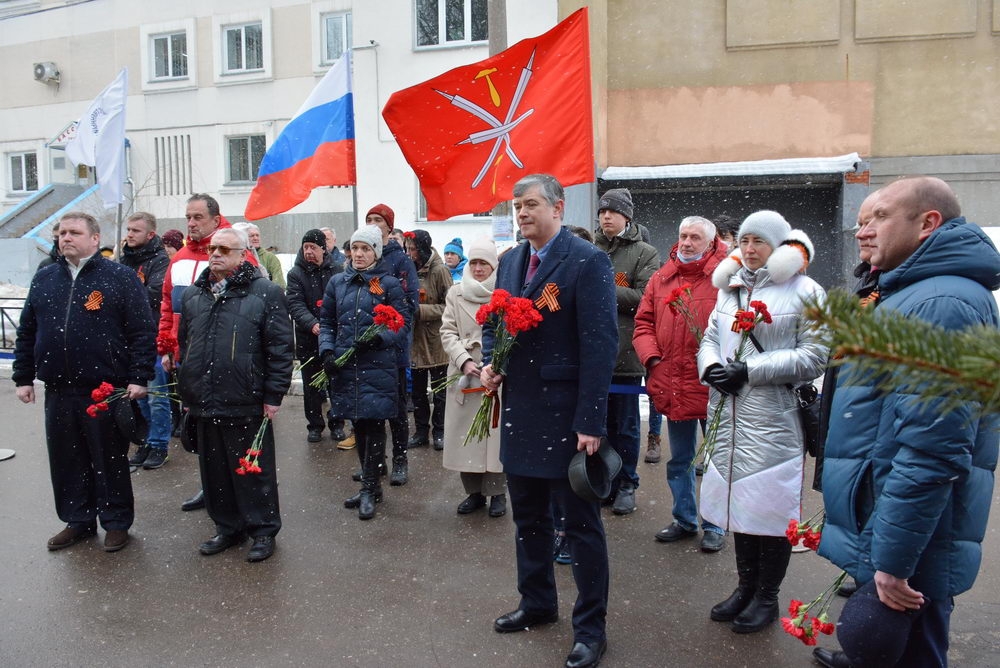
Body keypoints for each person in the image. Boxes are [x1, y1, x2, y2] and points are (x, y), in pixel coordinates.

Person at [814, 177, 1000, 668]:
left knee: (913, 649)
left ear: (927, 223)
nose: (862, 231)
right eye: (860, 222)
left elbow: (932, 449)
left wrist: (893, 563)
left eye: (879, 217)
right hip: (893, 520)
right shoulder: (905, 291)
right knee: (888, 646)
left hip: (914, 540)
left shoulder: (941, 304)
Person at [480, 174, 617, 668]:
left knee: (580, 526)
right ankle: (537, 602)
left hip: (565, 417)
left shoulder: (587, 261)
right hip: (521, 411)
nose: (522, 212)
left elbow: (600, 346)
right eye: (517, 205)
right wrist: (493, 362)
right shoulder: (511, 260)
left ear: (558, 208)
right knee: (528, 518)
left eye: (532, 204)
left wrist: (591, 421)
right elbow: (496, 320)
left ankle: (591, 629)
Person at [696, 210, 827, 633]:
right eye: (744, 241)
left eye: (759, 242)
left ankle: (767, 597)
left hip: (775, 420)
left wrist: (750, 370)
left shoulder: (806, 291)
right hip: (729, 416)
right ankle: (745, 588)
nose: (750, 249)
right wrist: (712, 367)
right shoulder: (730, 288)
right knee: (740, 506)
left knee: (770, 511)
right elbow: (711, 336)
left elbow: (814, 356)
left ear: (779, 246)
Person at [13, 212, 156, 553]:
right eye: (62, 232)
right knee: (67, 458)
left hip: (103, 389)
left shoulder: (119, 277)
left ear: (94, 238)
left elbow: (141, 331)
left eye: (74, 232)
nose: (66, 238)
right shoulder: (46, 277)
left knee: (109, 459)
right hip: (59, 388)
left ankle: (116, 521)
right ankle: (78, 519)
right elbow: (28, 330)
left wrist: (139, 376)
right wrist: (23, 376)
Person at [176, 227, 292, 562]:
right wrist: (188, 387)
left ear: (242, 256)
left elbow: (280, 348)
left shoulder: (265, 292)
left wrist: (273, 394)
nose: (215, 254)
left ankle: (263, 530)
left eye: (224, 250)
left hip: (245, 397)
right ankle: (227, 527)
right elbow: (187, 343)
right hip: (204, 398)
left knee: (252, 470)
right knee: (214, 471)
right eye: (212, 249)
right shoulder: (195, 295)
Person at [633, 215, 730, 552]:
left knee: (716, 461)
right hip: (674, 382)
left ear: (711, 242)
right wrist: (653, 360)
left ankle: (715, 523)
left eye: (695, 237)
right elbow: (643, 323)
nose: (687, 243)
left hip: (713, 385)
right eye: (683, 236)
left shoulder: (725, 277)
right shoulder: (662, 278)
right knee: (680, 459)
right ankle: (684, 518)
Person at [159, 193, 257, 512]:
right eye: (188, 217)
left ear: (216, 220)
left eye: (198, 217)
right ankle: (211, 486)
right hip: (192, 359)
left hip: (228, 362)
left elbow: (256, 308)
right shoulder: (179, 259)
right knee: (202, 432)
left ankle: (242, 489)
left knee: (232, 432)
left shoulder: (237, 253)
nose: (191, 223)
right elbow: (168, 306)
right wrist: (167, 347)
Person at [319, 226, 410, 519]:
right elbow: (328, 321)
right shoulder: (338, 283)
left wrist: (379, 338)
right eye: (355, 248)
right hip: (347, 365)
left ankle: (370, 487)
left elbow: (402, 323)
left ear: (376, 253)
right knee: (358, 423)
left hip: (377, 365)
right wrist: (328, 351)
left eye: (366, 249)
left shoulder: (388, 284)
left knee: (373, 424)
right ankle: (371, 486)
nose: (358, 254)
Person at [593, 188, 660, 516]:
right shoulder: (589, 248)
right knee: (596, 425)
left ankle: (627, 484)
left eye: (613, 211)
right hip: (591, 355)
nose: (606, 216)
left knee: (626, 426)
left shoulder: (644, 252)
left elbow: (645, 298)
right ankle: (604, 481)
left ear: (627, 216)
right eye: (602, 211)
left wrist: (602, 287)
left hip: (625, 355)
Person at [440, 237, 506, 517]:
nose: (478, 269)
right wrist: (463, 360)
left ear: (493, 266)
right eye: (475, 263)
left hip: (495, 375)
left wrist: (497, 363)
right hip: (464, 374)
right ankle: (474, 493)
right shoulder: (456, 293)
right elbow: (447, 331)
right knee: (466, 436)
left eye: (484, 264)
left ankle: (498, 493)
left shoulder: (503, 293)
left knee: (495, 437)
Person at [365, 204, 419, 484]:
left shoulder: (400, 261)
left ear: (389, 226)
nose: (373, 224)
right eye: (369, 219)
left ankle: (400, 459)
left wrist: (384, 328)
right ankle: (375, 462)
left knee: (396, 410)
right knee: (370, 410)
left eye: (378, 220)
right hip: (365, 350)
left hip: (393, 349)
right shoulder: (363, 256)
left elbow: (409, 306)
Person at [119, 212, 173, 470]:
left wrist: (123, 294)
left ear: (150, 234)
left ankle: (159, 444)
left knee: (156, 396)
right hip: (129, 339)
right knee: (138, 395)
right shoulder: (125, 259)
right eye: (128, 229)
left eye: (136, 230)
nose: (129, 234)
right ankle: (147, 441)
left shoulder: (160, 260)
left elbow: (154, 295)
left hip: (152, 337)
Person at [286, 229, 343, 443]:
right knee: (311, 385)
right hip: (308, 338)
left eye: (313, 247)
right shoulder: (296, 273)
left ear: (323, 249)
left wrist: (332, 325)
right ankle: (315, 425)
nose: (309, 251)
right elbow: (295, 304)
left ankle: (337, 423)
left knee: (335, 382)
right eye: (305, 247)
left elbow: (341, 300)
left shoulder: (336, 270)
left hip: (333, 337)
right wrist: (312, 324)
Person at [404, 229, 451, 451]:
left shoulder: (440, 271)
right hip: (415, 340)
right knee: (418, 392)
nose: (409, 253)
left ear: (422, 249)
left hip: (436, 340)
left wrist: (422, 311)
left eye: (413, 249)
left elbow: (449, 306)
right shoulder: (409, 269)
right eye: (407, 248)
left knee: (440, 392)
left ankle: (440, 432)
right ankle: (421, 432)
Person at [234, 222, 286, 289]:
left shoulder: (270, 258)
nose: (255, 238)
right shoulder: (237, 257)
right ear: (244, 238)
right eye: (251, 236)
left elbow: (279, 283)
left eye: (257, 235)